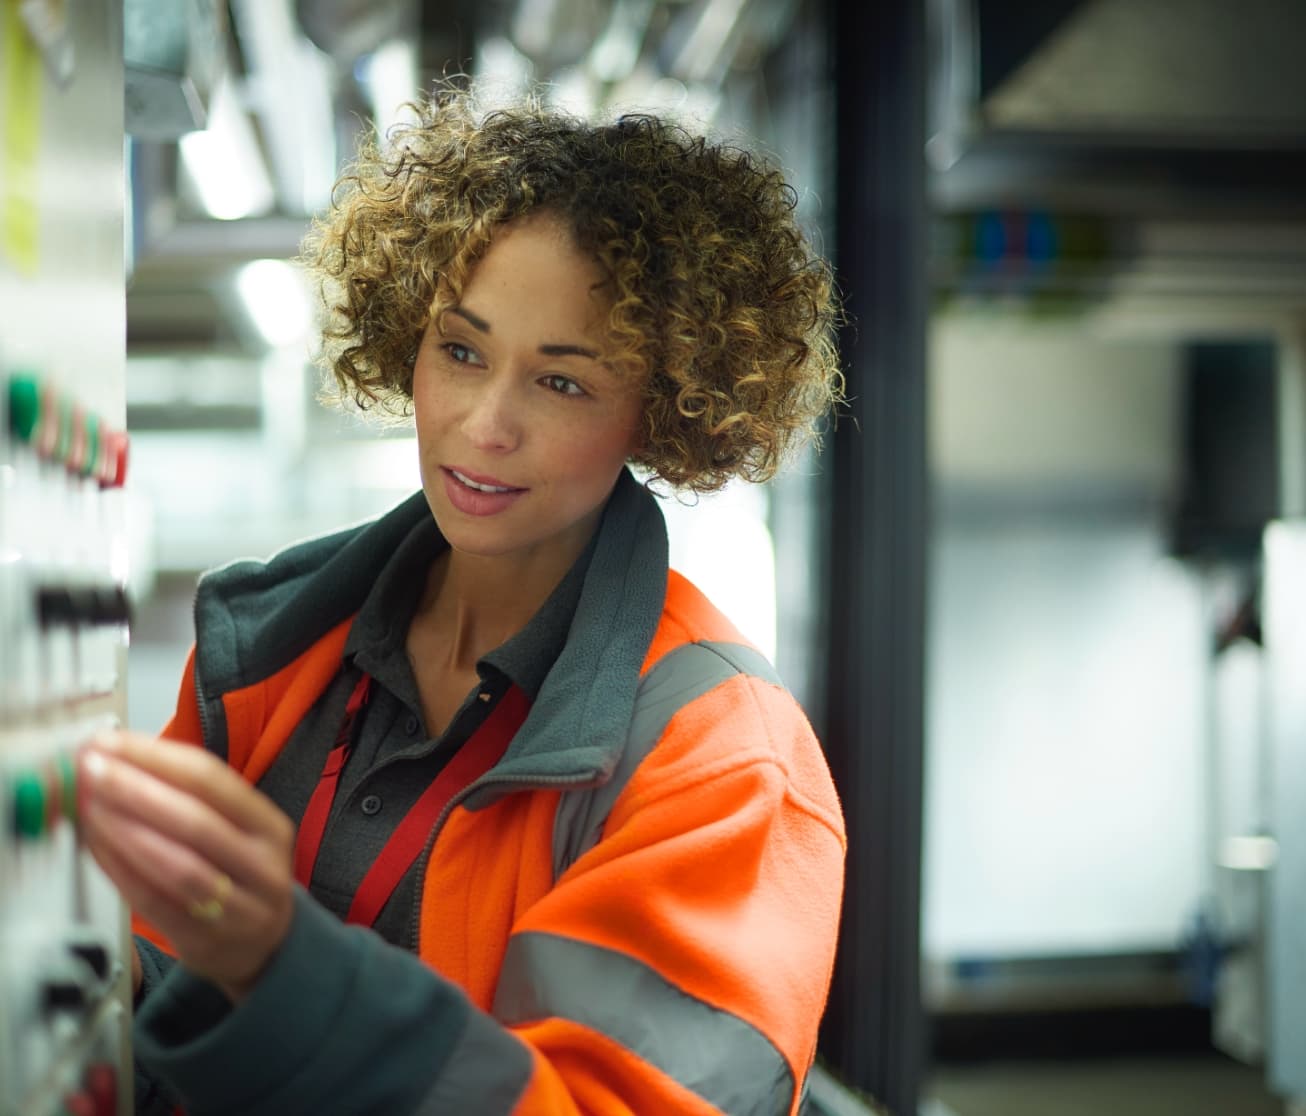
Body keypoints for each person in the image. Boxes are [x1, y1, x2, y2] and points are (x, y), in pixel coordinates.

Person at [78, 87, 846, 1116]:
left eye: (561, 383)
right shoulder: (266, 652)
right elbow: (166, 958)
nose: (485, 425)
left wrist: (284, 970)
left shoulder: (724, 759)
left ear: (658, 409)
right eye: (462, 350)